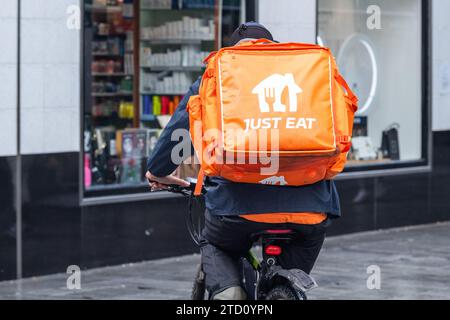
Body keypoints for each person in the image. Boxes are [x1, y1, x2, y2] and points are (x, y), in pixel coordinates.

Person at [146, 22, 341, 300]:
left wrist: (158, 171)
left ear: (234, 48)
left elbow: (181, 129)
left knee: (215, 243)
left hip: (236, 207)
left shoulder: (218, 73)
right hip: (311, 208)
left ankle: (230, 293)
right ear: (271, 47)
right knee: (290, 275)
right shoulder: (305, 74)